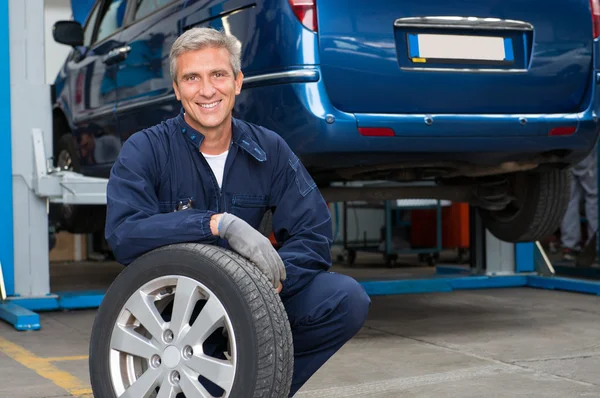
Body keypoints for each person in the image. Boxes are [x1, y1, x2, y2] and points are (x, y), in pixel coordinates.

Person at [104, 27, 371, 396]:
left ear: (238, 82)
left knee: (344, 299)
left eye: (218, 75)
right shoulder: (145, 150)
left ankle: (253, 389)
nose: (207, 90)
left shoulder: (269, 149)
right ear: (177, 89)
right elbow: (124, 234)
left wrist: (266, 279)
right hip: (176, 318)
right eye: (192, 78)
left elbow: (314, 234)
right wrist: (214, 224)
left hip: (252, 302)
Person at [560, 149, 598, 262]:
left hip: (566, 145)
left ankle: (569, 246)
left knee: (569, 197)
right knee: (594, 195)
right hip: (587, 144)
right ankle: (595, 246)